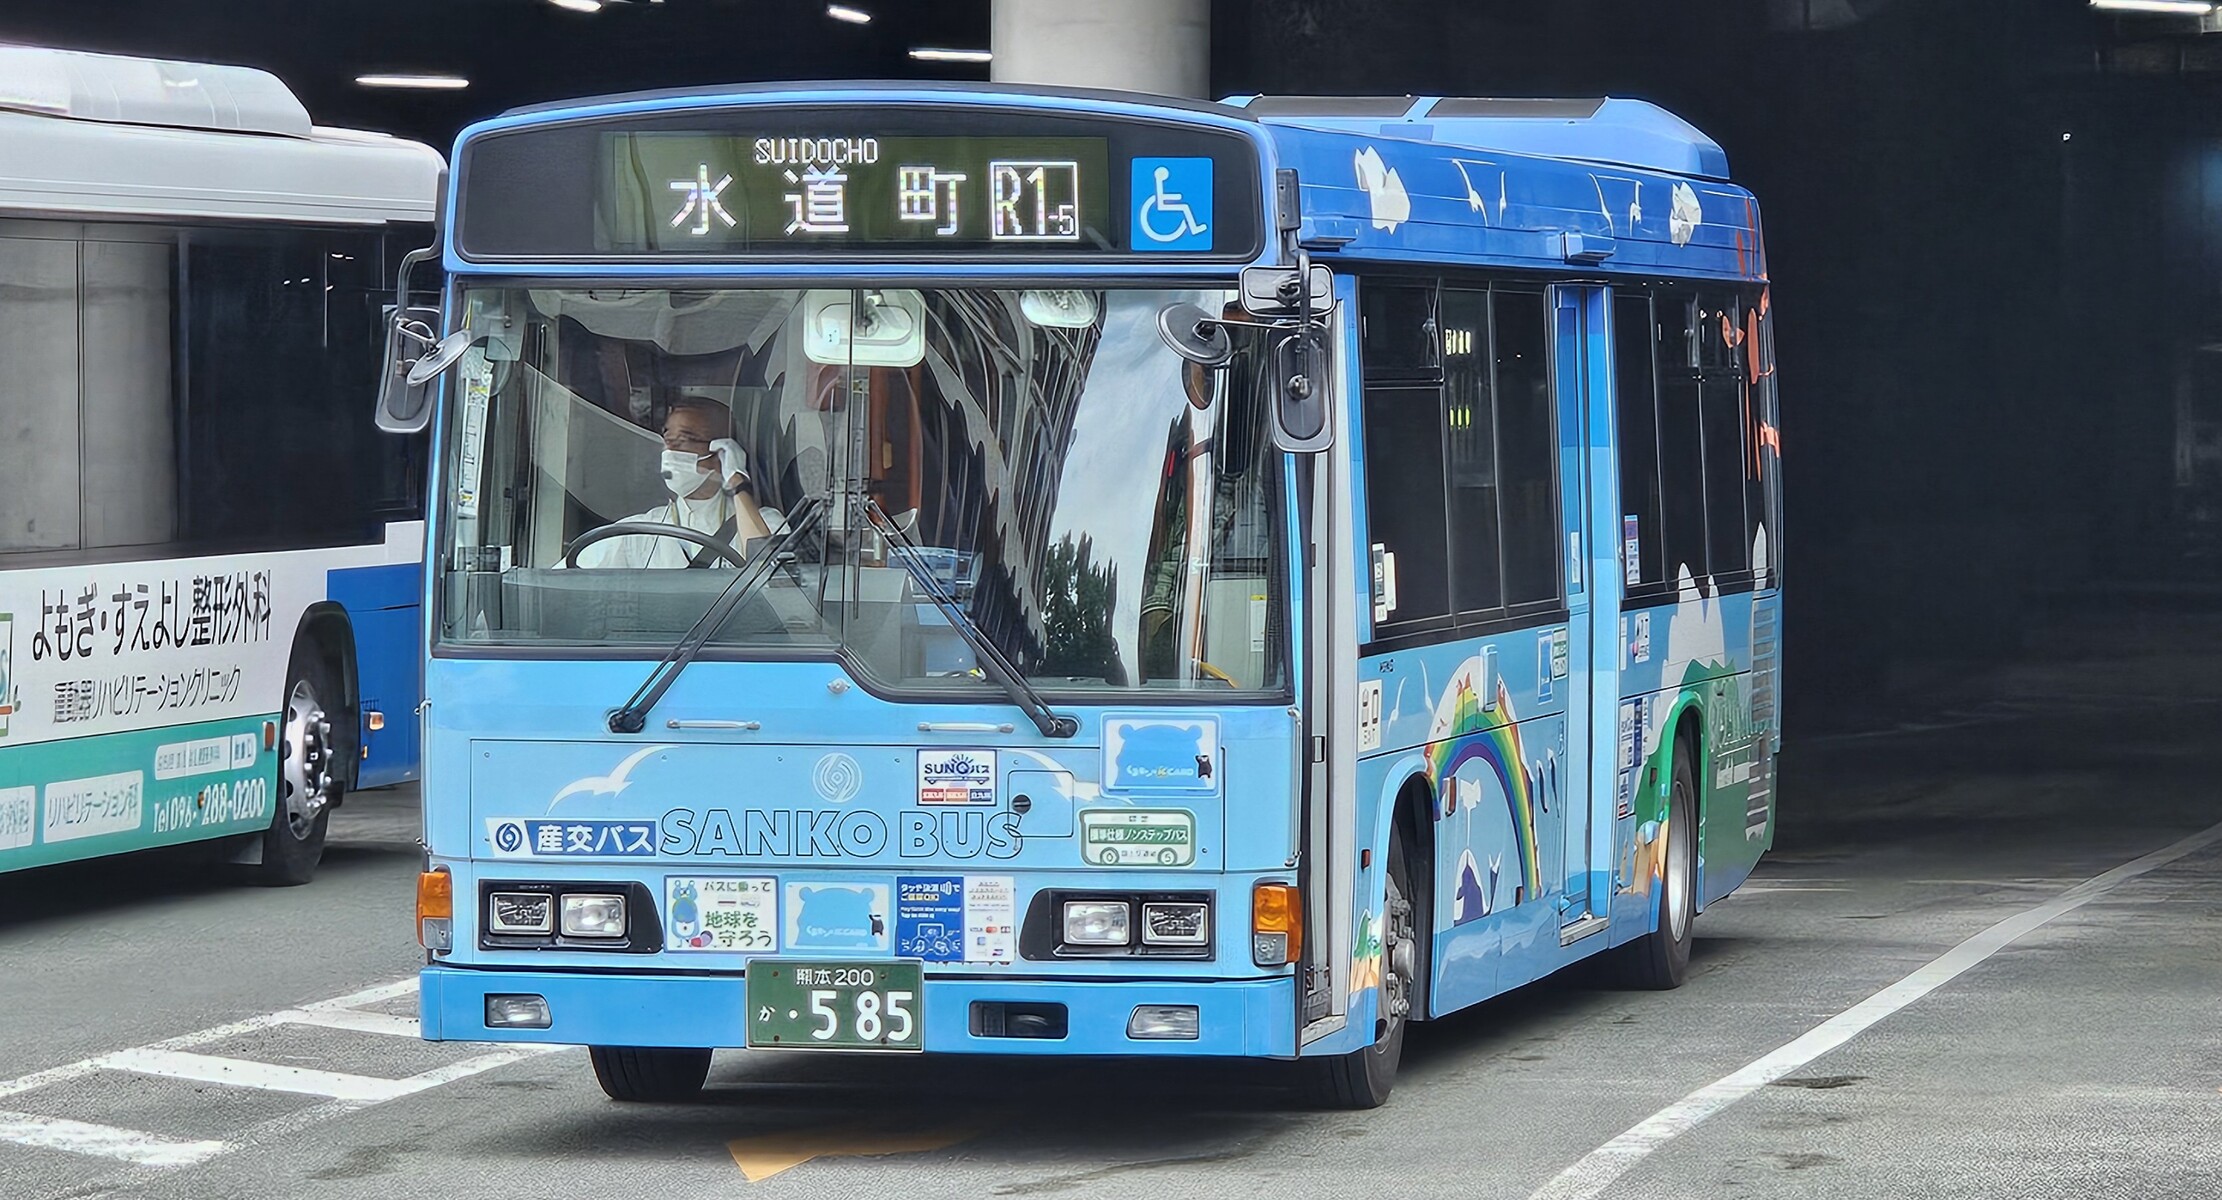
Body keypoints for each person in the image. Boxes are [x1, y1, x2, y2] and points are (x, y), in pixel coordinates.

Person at [570, 396, 784, 569]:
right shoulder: (639, 531)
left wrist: (738, 483)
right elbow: (564, 579)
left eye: (685, 440)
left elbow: (772, 578)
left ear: (721, 453)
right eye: (667, 439)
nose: (669, 450)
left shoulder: (766, 522)